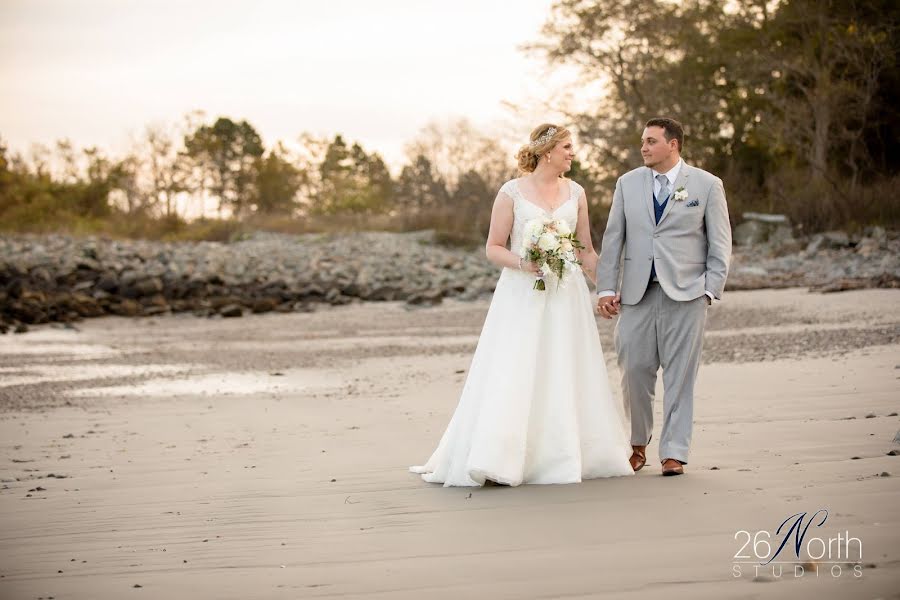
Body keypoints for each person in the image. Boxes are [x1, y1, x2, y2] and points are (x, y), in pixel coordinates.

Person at [410, 124, 634, 487]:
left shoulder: (576, 192)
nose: (572, 153)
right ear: (547, 152)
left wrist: (606, 289)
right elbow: (493, 247)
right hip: (522, 294)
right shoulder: (511, 192)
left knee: (564, 365)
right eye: (566, 147)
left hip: (566, 294)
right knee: (517, 366)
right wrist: (525, 264)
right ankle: (504, 455)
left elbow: (585, 250)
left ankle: (564, 452)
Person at [595, 117, 732, 476]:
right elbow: (613, 239)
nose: (644, 147)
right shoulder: (627, 184)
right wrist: (607, 288)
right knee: (634, 372)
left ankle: (674, 452)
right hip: (636, 295)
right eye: (643, 140)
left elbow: (720, 242)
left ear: (673, 144)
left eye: (652, 141)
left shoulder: (706, 185)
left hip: (687, 295)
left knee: (680, 377)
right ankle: (638, 444)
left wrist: (709, 289)